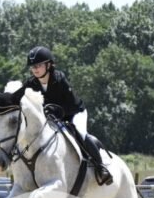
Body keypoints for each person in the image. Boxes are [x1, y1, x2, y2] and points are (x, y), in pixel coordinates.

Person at [23, 46, 113, 186]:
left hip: (74, 113)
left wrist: (55, 111)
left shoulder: (59, 79)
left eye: (38, 65)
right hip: (52, 119)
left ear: (48, 65)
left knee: (81, 133)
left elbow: (71, 105)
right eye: (33, 66)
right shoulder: (30, 84)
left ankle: (101, 168)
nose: (35, 69)